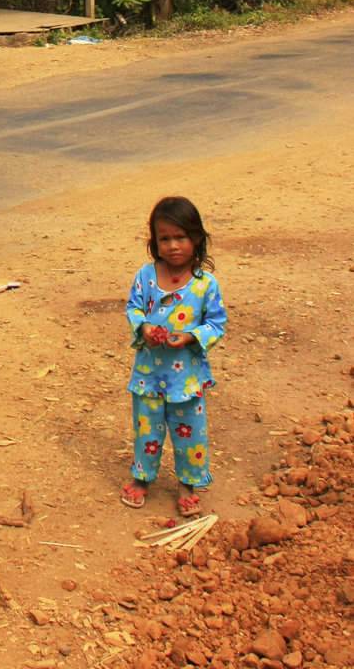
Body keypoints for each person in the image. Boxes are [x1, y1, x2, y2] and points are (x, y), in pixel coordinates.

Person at [120, 196, 228, 517]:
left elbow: (216, 323)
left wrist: (192, 336)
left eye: (181, 237)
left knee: (189, 432)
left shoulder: (205, 284)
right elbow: (134, 309)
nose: (173, 246)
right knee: (147, 430)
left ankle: (188, 484)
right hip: (148, 375)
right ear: (154, 242)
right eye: (164, 238)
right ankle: (142, 478)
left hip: (187, 378)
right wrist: (145, 328)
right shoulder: (146, 276)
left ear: (196, 238)